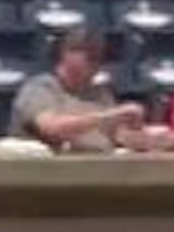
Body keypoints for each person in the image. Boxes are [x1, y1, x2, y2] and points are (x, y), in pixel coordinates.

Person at [8, 27, 163, 154]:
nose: (95, 63)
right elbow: (52, 128)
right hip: (49, 174)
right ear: (66, 53)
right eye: (88, 55)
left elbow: (121, 137)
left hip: (100, 172)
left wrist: (143, 133)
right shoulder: (41, 88)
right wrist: (111, 115)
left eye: (98, 57)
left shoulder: (100, 93)